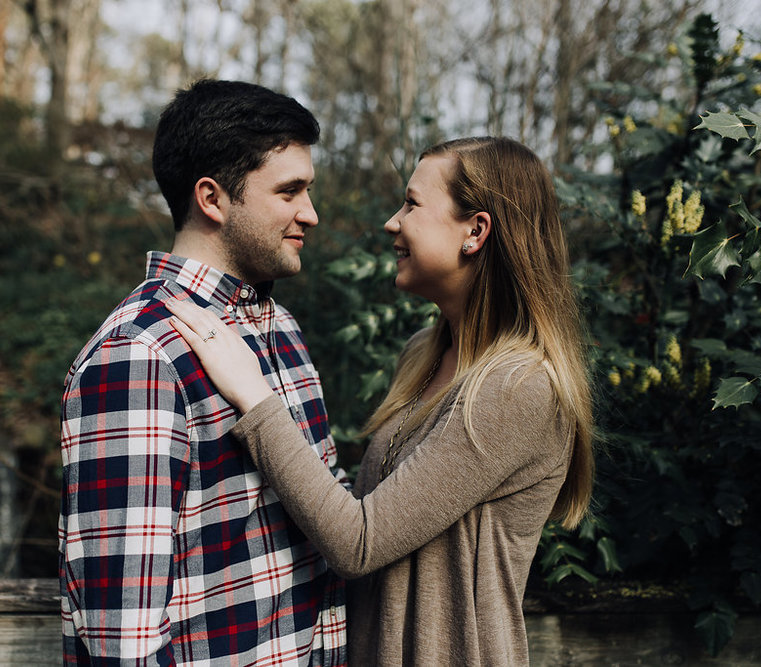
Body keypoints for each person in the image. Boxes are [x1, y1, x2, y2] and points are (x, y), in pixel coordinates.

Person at [167, 136, 595, 666]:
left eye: (412, 204)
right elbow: (366, 511)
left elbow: (357, 542)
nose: (393, 222)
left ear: (475, 232)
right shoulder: (424, 353)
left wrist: (254, 396)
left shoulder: (519, 388)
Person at [59, 79, 347, 665]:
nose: (310, 214)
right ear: (212, 199)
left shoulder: (280, 327)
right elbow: (125, 638)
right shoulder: (139, 355)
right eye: (289, 191)